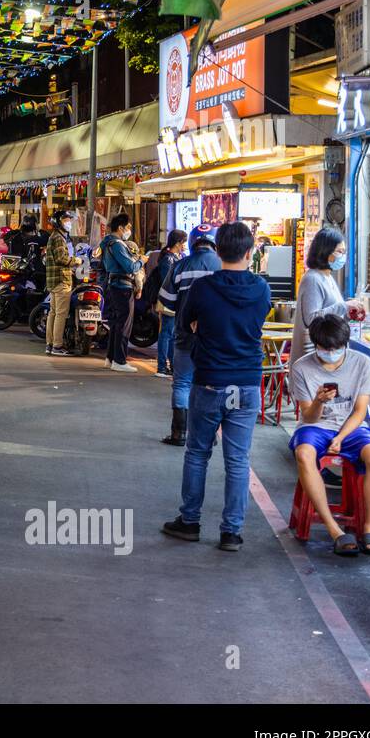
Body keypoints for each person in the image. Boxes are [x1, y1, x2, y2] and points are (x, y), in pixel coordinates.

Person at [162, 222, 271, 553]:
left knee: (197, 452)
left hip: (210, 380)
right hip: (247, 382)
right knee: (238, 460)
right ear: (250, 253)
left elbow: (183, 324)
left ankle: (190, 522)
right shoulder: (261, 288)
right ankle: (231, 532)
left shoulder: (204, 289)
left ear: (217, 250)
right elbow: (258, 321)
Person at [289, 314, 370, 556]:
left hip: (351, 427)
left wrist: (341, 438)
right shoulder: (301, 367)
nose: (331, 352)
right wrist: (319, 402)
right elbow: (308, 417)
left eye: (337, 347)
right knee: (304, 453)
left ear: (346, 343)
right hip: (315, 427)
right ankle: (336, 531)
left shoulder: (362, 363)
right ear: (316, 345)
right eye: (325, 348)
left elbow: (360, 410)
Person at [157, 224, 221, 446]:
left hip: (184, 336)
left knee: (182, 383)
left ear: (192, 243)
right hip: (215, 341)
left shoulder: (181, 265)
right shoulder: (224, 266)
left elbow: (166, 301)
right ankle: (208, 434)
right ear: (215, 243)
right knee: (209, 385)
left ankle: (179, 433)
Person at [291, 227, 349, 366]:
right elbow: (312, 319)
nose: (343, 256)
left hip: (328, 353)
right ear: (325, 252)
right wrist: (344, 306)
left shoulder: (327, 277)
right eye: (339, 251)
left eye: (344, 252)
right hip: (314, 358)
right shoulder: (313, 279)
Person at [98, 213, 142, 373]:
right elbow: (130, 267)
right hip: (122, 287)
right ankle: (120, 360)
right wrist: (142, 260)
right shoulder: (117, 245)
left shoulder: (107, 243)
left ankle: (110, 358)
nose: (129, 230)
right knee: (124, 325)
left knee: (116, 324)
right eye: (128, 227)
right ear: (121, 227)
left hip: (113, 286)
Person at [143, 229, 187, 378]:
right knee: (167, 333)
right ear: (178, 243)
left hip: (174, 300)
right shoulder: (168, 259)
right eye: (184, 242)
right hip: (169, 300)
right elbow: (167, 282)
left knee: (171, 334)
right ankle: (162, 367)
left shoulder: (175, 257)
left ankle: (171, 366)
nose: (185, 245)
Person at [44, 209, 77, 356]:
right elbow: (61, 259)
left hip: (55, 280)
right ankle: (57, 346)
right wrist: (77, 260)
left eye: (69, 219)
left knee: (53, 313)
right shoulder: (58, 237)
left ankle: (50, 344)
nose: (68, 222)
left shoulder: (58, 236)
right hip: (61, 279)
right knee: (60, 314)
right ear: (58, 222)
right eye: (65, 220)